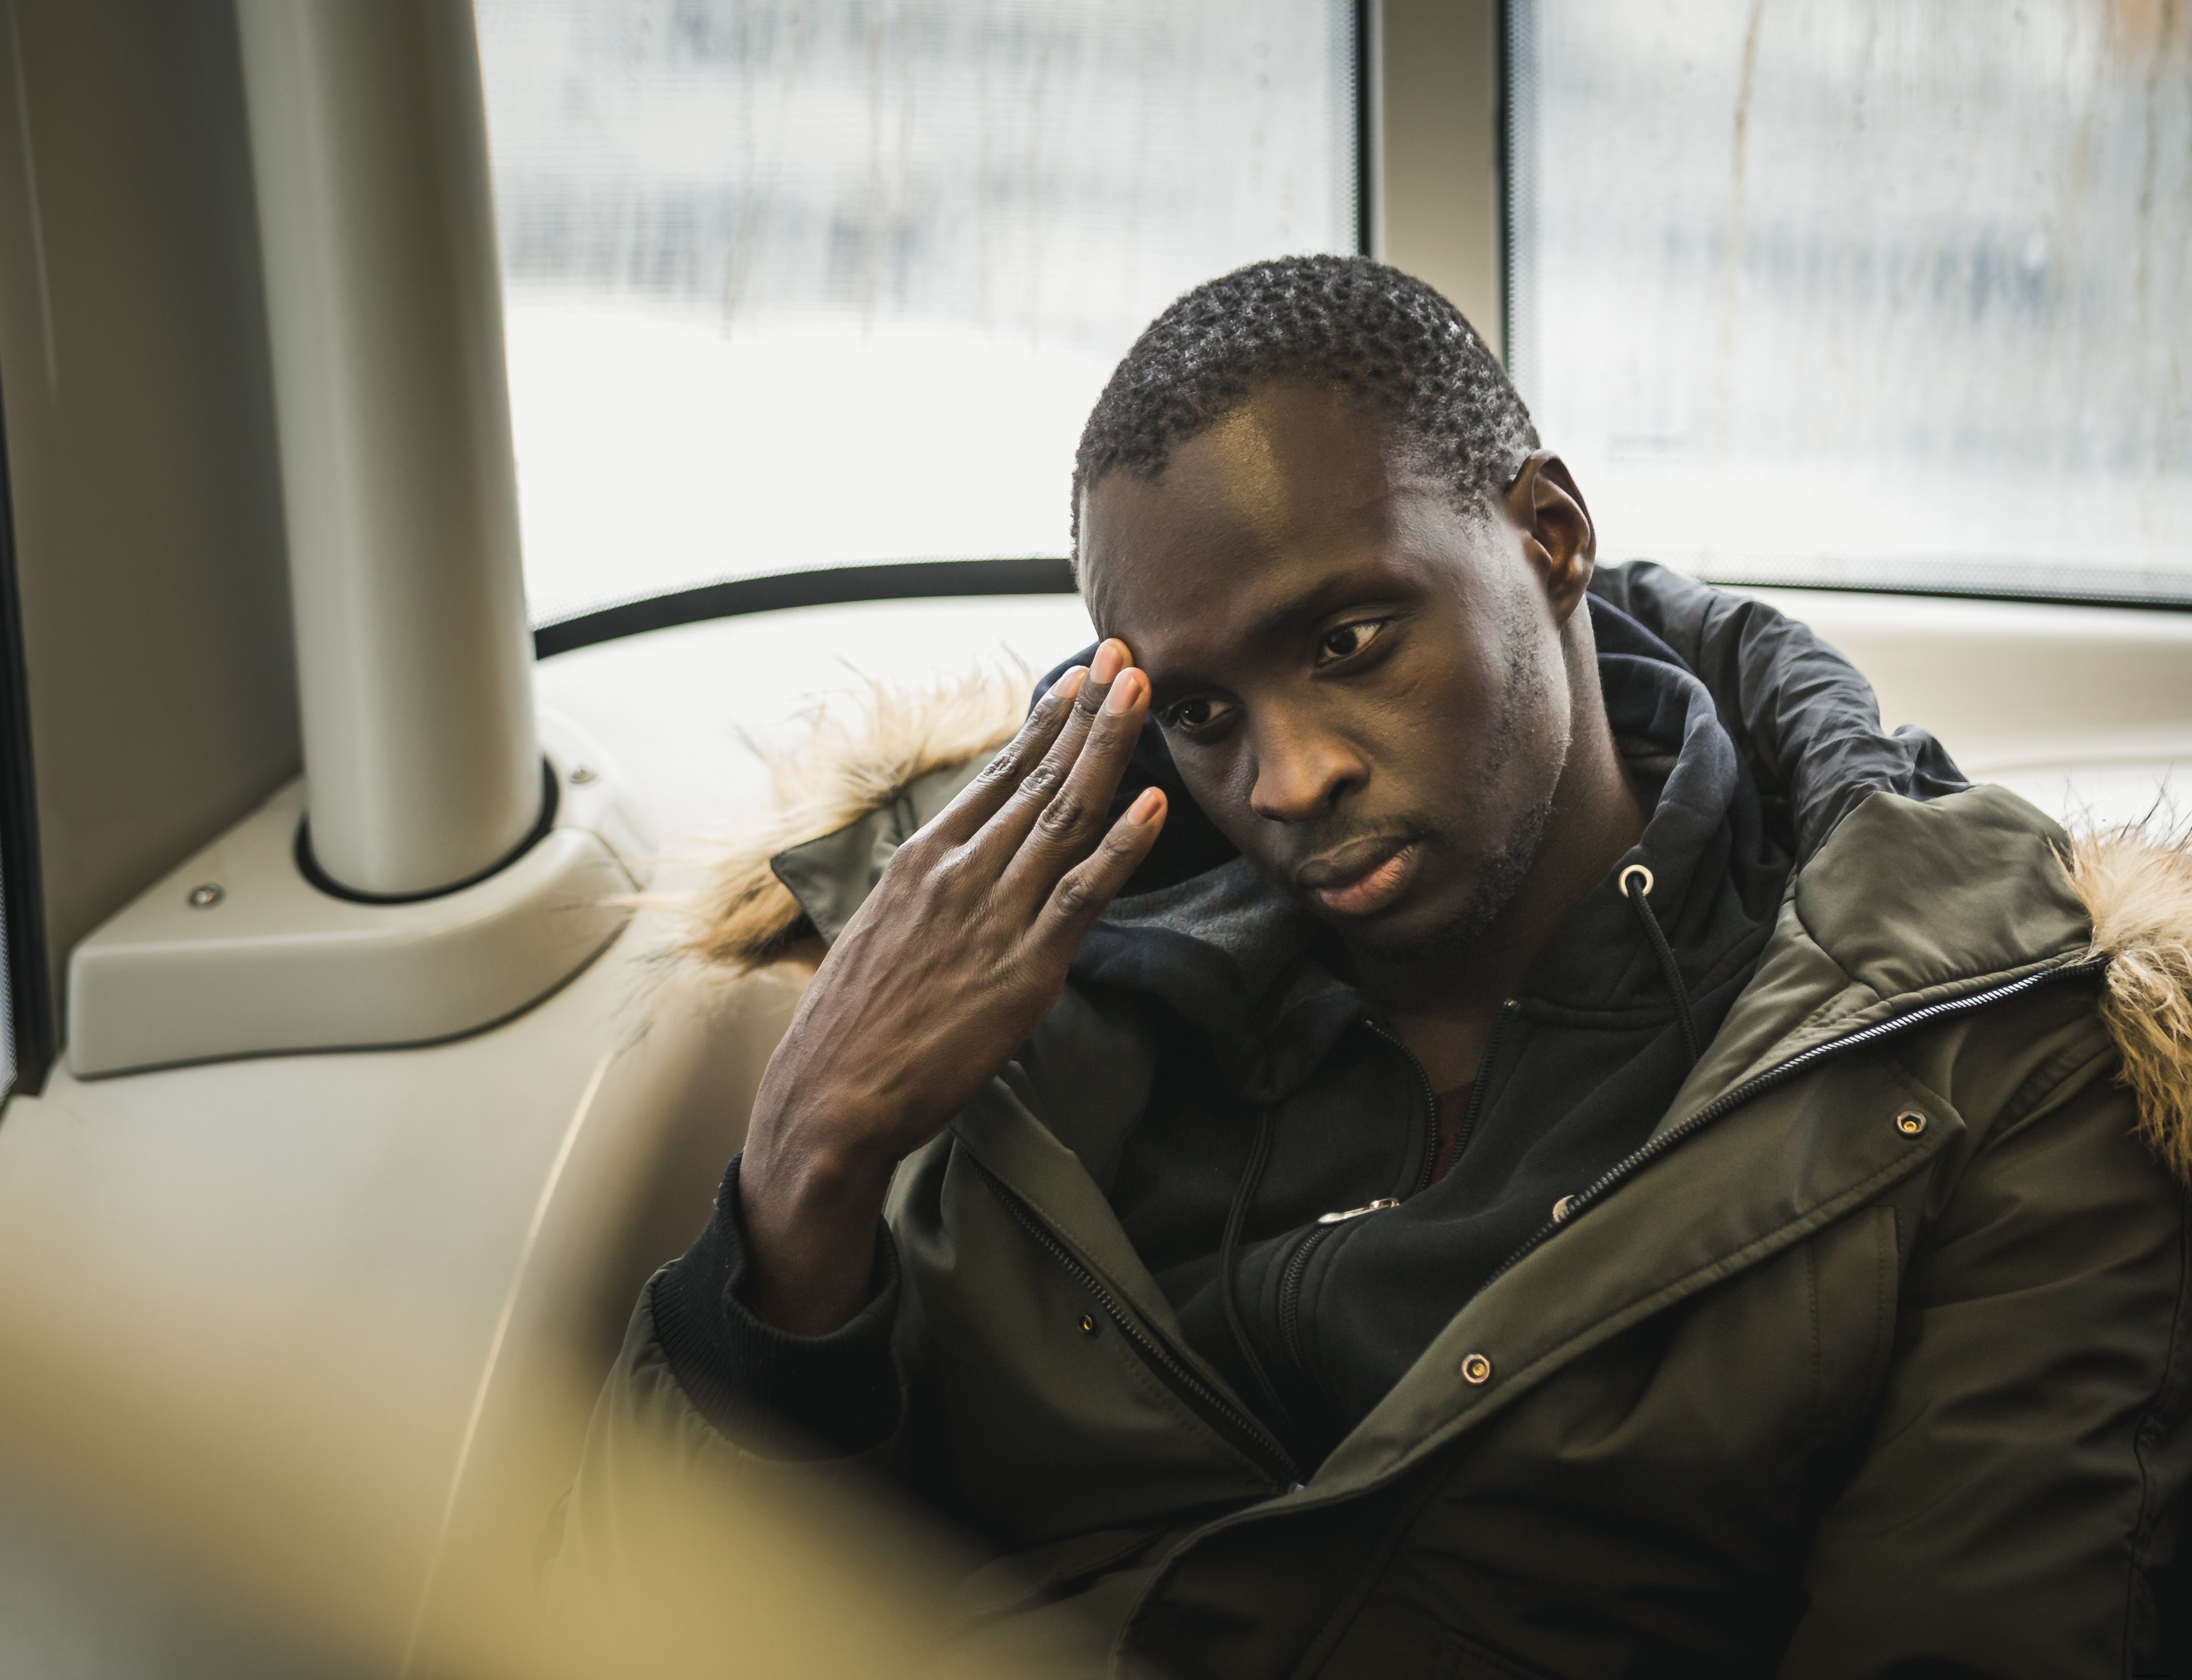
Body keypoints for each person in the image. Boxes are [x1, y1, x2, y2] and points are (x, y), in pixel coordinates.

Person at [551, 255, 2191, 1676]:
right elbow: (615, 1628)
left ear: (1547, 535)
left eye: (1347, 643)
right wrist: (803, 1169)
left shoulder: (1988, 1043)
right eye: (1200, 712)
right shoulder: (1010, 994)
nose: (1286, 778)